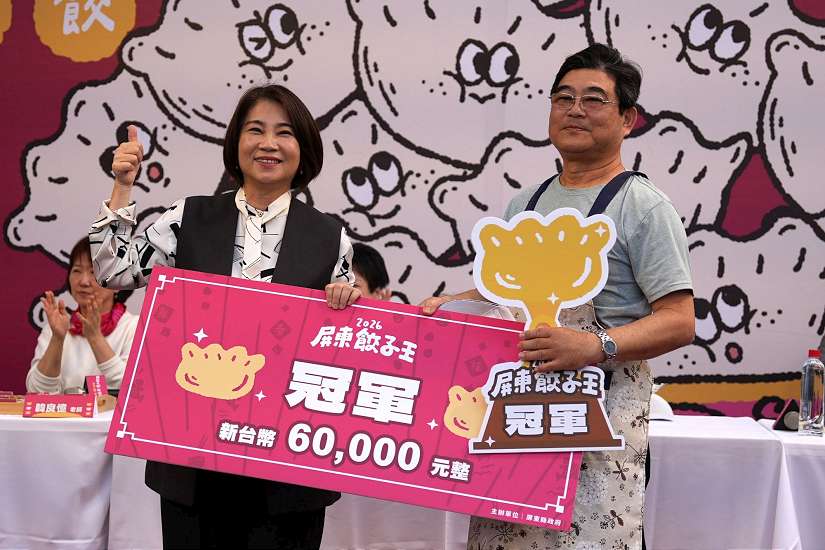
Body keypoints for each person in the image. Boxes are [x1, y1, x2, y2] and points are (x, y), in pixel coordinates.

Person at [421, 44, 695, 549]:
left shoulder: (644, 206)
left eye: (593, 99)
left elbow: (679, 320)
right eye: (563, 98)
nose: (574, 110)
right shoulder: (525, 203)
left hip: (600, 419)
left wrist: (595, 346)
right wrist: (454, 304)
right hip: (517, 414)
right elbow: (506, 295)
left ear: (628, 119)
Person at [89, 84, 360, 549]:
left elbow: (341, 345)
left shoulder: (330, 237)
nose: (269, 143)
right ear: (236, 143)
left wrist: (345, 303)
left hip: (288, 471)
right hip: (192, 462)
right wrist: (122, 186)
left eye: (284, 133)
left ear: (304, 151)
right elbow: (113, 271)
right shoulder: (188, 217)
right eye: (256, 130)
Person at [27, 236, 137, 394]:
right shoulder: (57, 328)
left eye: (94, 272)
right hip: (64, 412)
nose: (84, 281)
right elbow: (37, 390)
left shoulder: (134, 327)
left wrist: (95, 338)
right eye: (77, 271)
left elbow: (135, 387)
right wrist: (57, 339)